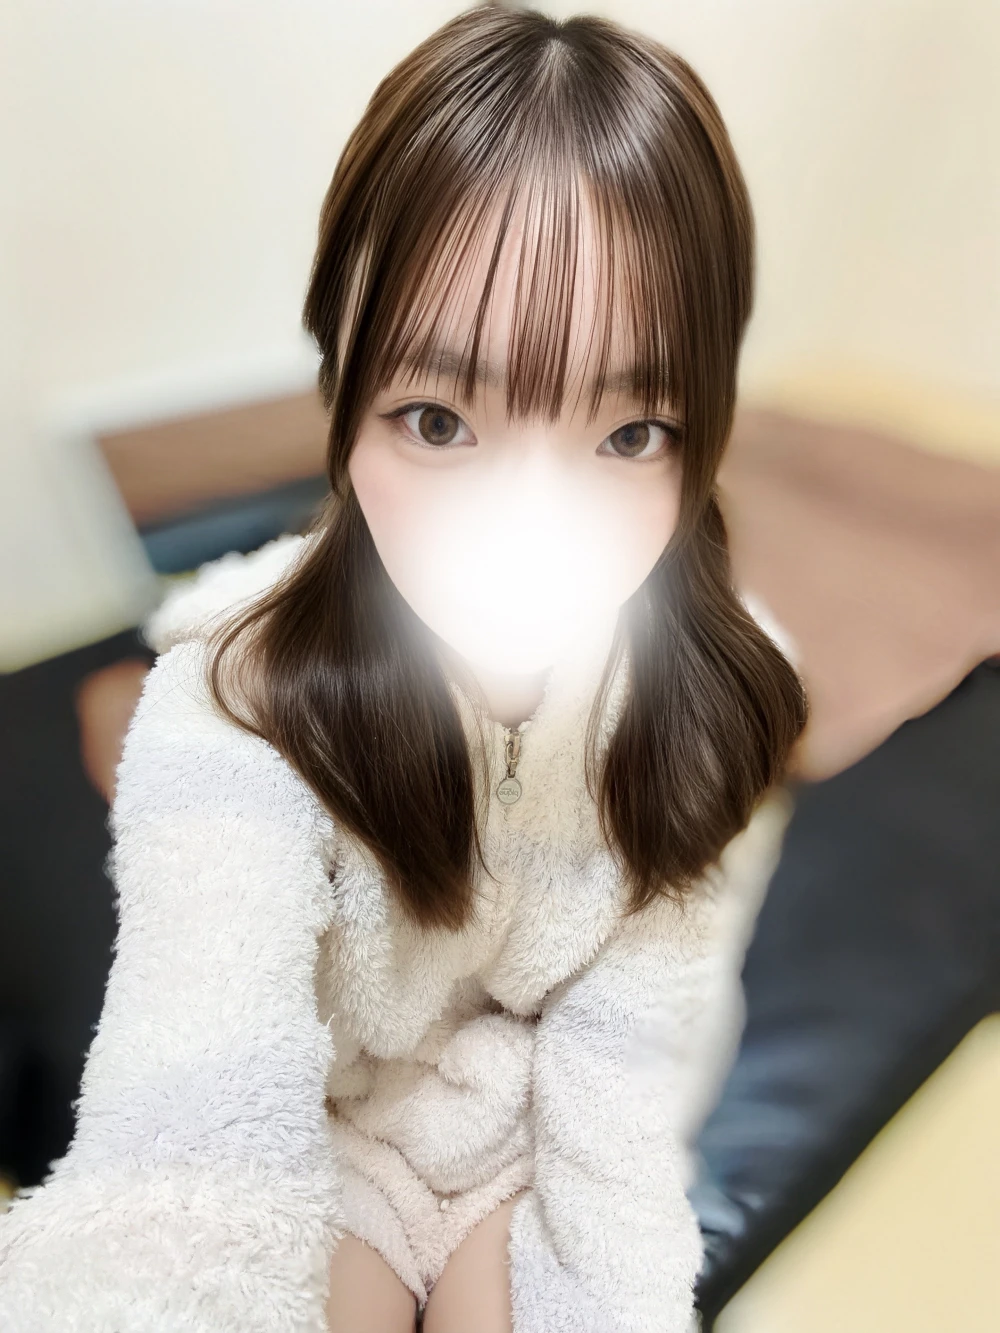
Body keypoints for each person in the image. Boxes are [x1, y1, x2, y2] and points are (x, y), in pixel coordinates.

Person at [0, 5, 807, 1331]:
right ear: (343, 403)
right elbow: (187, 1131)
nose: (529, 528)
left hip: (531, 1133)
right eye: (438, 420)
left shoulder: (710, 705)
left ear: (702, 435)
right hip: (327, 1140)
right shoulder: (234, 717)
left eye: (629, 434)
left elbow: (629, 1077)